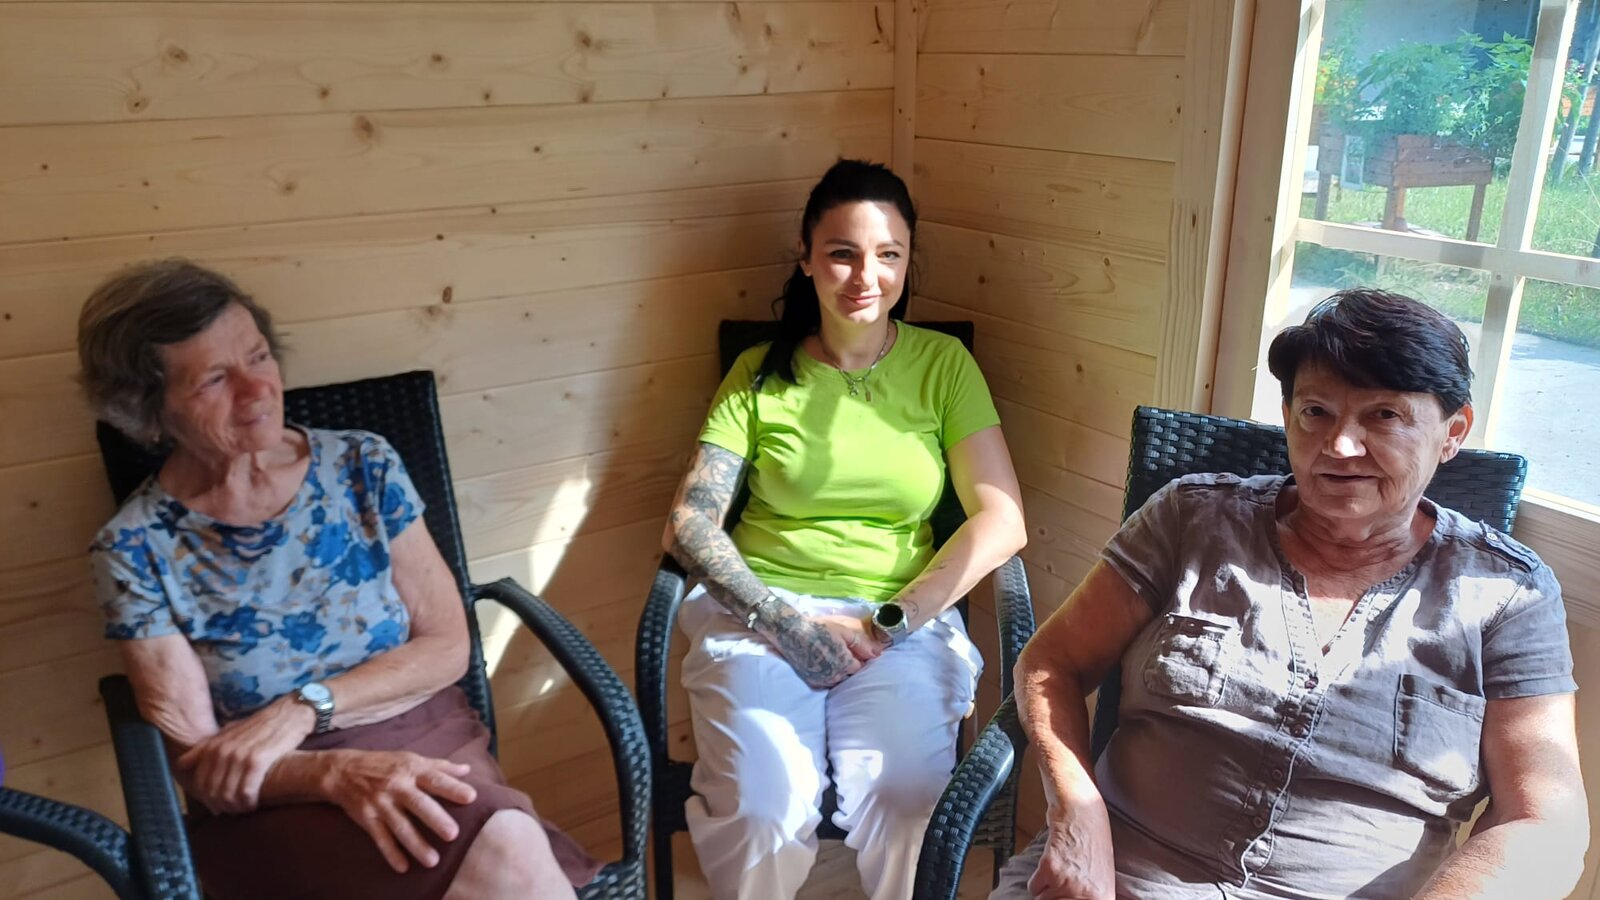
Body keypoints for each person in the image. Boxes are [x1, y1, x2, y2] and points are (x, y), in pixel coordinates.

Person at [993, 289, 1588, 899]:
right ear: (1288, 415)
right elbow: (1052, 662)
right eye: (1316, 412)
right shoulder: (1191, 520)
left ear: (1452, 431)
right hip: (1116, 878)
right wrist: (1077, 815)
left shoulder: (1507, 595)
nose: (1340, 446)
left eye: (1384, 416)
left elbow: (1546, 823)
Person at [79, 260, 601, 900]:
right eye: (215, 378)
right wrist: (331, 771)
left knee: (499, 844)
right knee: (507, 848)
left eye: (259, 356)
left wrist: (303, 708)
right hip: (279, 792)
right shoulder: (134, 547)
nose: (257, 389)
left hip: (422, 732)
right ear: (150, 410)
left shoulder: (362, 464)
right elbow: (202, 766)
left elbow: (447, 646)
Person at [661, 159, 1027, 899]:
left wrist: (888, 623)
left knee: (907, 804)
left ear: (908, 261)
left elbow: (1002, 519)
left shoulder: (943, 366)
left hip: (899, 619)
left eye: (888, 254)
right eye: (842, 253)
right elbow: (689, 523)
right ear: (805, 257)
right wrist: (782, 621)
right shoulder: (760, 374)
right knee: (763, 806)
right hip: (763, 615)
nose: (867, 276)